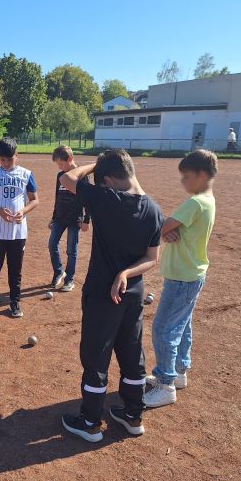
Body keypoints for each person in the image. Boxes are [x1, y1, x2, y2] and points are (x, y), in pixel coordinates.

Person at [59, 149, 163, 441]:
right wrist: (127, 273)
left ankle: (91, 422)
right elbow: (152, 258)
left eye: (103, 181)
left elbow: (67, 178)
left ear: (107, 180)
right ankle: (133, 414)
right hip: (133, 294)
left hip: (103, 294)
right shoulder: (154, 209)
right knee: (131, 354)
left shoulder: (107, 199)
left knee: (95, 356)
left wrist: (92, 164)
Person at [144, 149, 217, 408]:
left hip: (182, 278)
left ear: (201, 175)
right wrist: (168, 232)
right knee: (182, 325)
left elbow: (161, 226)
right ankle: (179, 371)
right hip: (192, 275)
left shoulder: (195, 202)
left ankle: (165, 384)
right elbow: (171, 230)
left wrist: (164, 230)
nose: (182, 181)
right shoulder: (207, 200)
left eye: (186, 176)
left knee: (164, 329)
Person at [0, 137, 39, 319]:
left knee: (15, 270)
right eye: (2, 159)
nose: (5, 163)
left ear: (16, 155)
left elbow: (34, 199)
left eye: (10, 159)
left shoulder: (26, 174)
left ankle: (14, 303)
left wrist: (23, 211)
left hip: (18, 232)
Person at [48, 145, 90, 292]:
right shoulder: (60, 176)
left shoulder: (82, 176)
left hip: (75, 219)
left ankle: (69, 279)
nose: (60, 167)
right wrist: (53, 217)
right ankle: (59, 271)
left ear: (70, 159)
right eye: (58, 164)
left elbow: (88, 200)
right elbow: (57, 197)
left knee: (71, 250)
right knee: (52, 245)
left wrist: (86, 220)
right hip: (59, 217)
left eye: (62, 163)